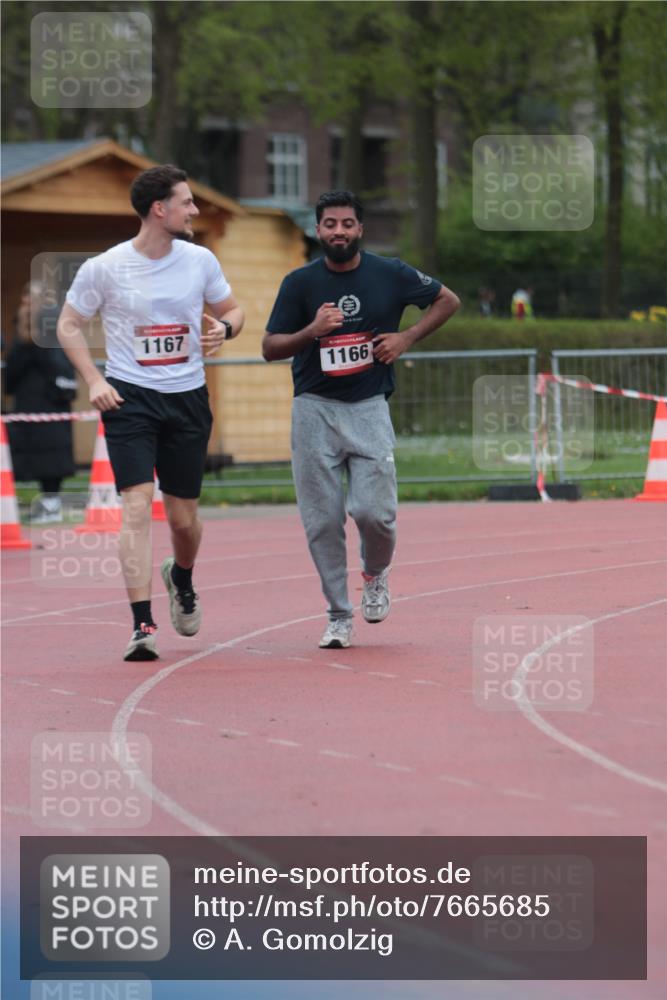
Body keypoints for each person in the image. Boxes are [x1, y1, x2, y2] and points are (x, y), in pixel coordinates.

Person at [57, 164, 244, 662]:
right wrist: (95, 380)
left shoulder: (200, 259)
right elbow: (69, 324)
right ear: (159, 209)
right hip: (130, 398)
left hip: (187, 397)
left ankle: (180, 576)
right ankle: (142, 624)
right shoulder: (105, 267)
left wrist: (225, 330)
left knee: (183, 521)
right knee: (137, 506)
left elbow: (234, 311)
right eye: (186, 201)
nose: (195, 210)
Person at [262, 190, 460, 649]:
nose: (338, 232)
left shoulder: (389, 273)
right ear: (318, 230)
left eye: (347, 224)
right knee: (322, 522)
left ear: (360, 229)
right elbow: (269, 347)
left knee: (375, 514)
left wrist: (407, 337)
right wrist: (312, 332)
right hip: (313, 409)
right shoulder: (299, 283)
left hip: (369, 407)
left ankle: (374, 574)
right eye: (330, 224)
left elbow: (448, 300)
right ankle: (337, 615)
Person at [5, 281, 77, 523]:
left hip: (51, 400)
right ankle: (41, 503)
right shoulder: (22, 328)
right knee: (28, 452)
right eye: (25, 296)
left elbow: (56, 361)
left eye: (31, 297)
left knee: (52, 451)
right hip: (28, 399)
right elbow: (14, 368)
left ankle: (51, 502)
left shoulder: (52, 325)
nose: (26, 301)